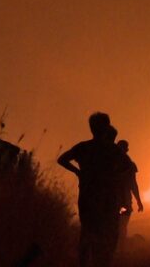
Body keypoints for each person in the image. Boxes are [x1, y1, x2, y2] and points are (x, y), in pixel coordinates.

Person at [58, 112, 124, 267]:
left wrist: (78, 172)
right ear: (107, 127)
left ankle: (84, 263)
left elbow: (61, 159)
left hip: (87, 196)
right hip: (108, 198)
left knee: (87, 231)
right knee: (109, 233)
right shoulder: (112, 150)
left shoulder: (82, 147)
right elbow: (126, 167)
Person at [116, 140, 143, 251]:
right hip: (123, 202)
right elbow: (133, 185)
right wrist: (139, 201)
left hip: (114, 202)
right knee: (122, 227)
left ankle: (117, 250)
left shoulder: (108, 163)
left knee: (118, 227)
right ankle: (121, 251)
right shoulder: (130, 165)